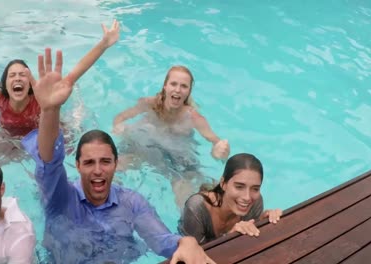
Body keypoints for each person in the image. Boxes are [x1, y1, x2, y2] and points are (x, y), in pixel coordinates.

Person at [21, 48, 216, 263]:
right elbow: (49, 164)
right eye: (89, 163)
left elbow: (162, 240)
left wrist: (186, 242)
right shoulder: (61, 198)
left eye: (105, 161)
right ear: (77, 166)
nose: (97, 170)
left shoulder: (132, 203)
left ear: (116, 164)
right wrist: (50, 111)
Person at [0, 3, 120, 165]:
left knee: (77, 156)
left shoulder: (41, 99)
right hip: (10, 139)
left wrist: (104, 43)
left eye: (22, 75)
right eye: (12, 75)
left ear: (30, 83)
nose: (17, 78)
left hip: (47, 137)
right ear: (5, 85)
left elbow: (75, 74)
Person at [112, 65, 230, 207]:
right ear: (165, 86)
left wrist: (219, 151)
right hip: (144, 149)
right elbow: (120, 117)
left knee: (187, 199)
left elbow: (215, 141)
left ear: (188, 92)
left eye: (184, 86)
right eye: (173, 84)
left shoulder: (193, 118)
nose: (178, 90)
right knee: (115, 168)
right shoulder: (148, 104)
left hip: (176, 161)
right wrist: (119, 127)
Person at [178, 153, 282, 244]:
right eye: (239, 186)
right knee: (182, 178)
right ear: (223, 183)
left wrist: (263, 222)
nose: (247, 197)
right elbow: (195, 257)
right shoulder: (196, 209)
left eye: (255, 188)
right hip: (189, 199)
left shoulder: (255, 202)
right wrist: (229, 238)